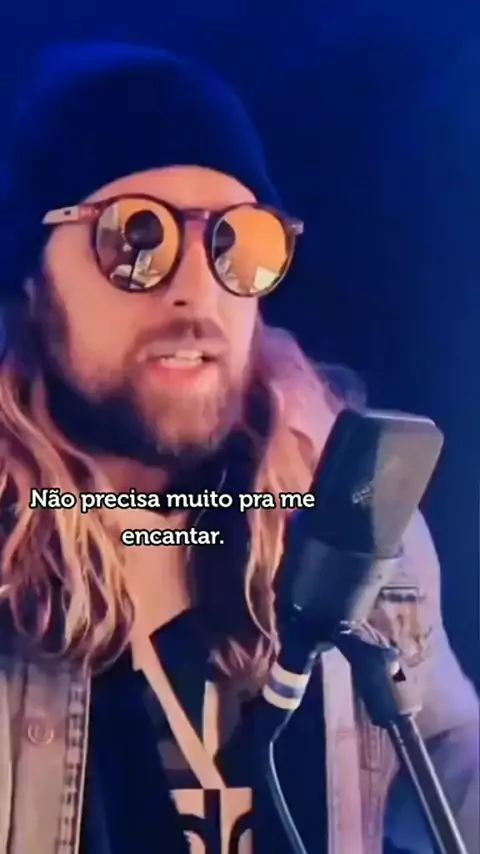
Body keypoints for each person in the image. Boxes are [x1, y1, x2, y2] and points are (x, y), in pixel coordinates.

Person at [0, 42, 477, 854]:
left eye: (237, 243)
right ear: (31, 276)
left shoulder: (352, 520)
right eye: (134, 238)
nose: (197, 291)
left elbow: (445, 747)